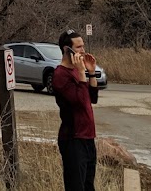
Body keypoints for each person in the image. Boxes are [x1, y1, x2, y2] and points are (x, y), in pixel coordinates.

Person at [49, 28, 99, 191]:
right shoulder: (60, 75)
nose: (83, 50)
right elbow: (80, 102)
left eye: (83, 46)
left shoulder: (77, 71)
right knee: (75, 187)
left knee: (88, 186)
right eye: (78, 47)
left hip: (88, 137)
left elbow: (92, 99)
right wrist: (81, 72)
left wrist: (91, 72)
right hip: (73, 139)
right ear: (67, 49)